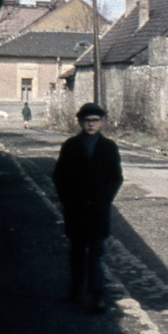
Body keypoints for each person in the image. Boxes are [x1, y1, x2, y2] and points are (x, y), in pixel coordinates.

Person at [52, 102, 124, 313]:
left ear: (102, 123)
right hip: (75, 209)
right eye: (86, 121)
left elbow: (116, 178)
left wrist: (104, 199)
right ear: (80, 122)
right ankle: (76, 288)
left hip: (98, 211)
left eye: (95, 121)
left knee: (96, 252)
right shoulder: (71, 145)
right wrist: (67, 200)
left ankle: (97, 294)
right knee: (76, 251)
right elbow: (59, 176)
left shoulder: (109, 147)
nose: (91, 125)